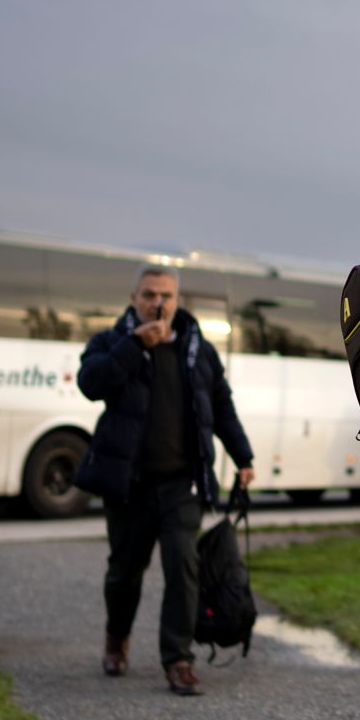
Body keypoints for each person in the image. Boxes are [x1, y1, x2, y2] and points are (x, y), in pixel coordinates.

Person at [74, 265, 255, 696]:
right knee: (124, 574)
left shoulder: (198, 349)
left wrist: (242, 456)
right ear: (134, 297)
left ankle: (178, 659)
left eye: (167, 296)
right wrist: (134, 346)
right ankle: (117, 639)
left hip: (180, 485)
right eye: (151, 294)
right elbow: (90, 383)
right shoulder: (112, 342)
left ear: (177, 301)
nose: (159, 303)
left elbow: (221, 407)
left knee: (183, 568)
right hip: (129, 484)